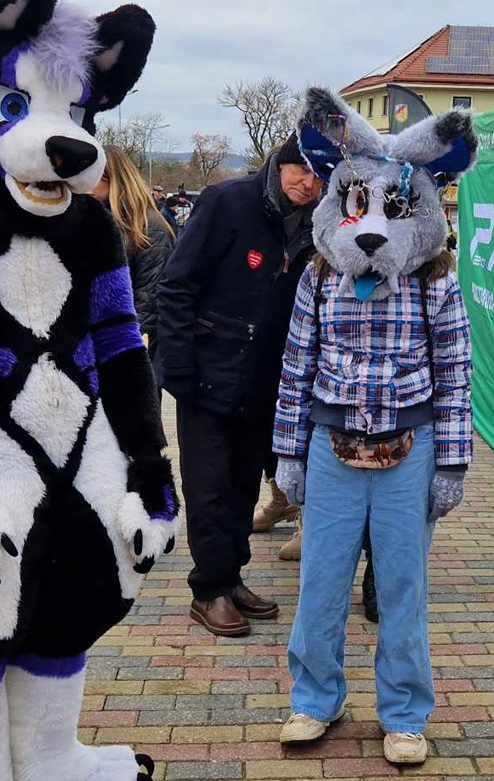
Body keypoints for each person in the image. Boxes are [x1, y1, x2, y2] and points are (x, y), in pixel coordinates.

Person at [272, 89, 476, 767]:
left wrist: (452, 463)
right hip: (331, 446)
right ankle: (315, 698)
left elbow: (455, 372)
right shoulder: (319, 277)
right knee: (321, 582)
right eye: (357, 204)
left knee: (400, 588)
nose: (370, 227)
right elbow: (297, 363)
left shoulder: (434, 283)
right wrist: (288, 452)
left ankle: (405, 712)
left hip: (408, 450)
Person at [156, 135, 322, 637]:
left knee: (243, 484)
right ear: (280, 163)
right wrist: (179, 367)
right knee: (208, 487)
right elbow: (176, 284)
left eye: (319, 176)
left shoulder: (317, 223)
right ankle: (208, 590)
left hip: (266, 379)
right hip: (208, 372)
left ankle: (231, 577)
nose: (308, 184)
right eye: (301, 171)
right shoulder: (226, 201)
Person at [92, 147, 174, 348]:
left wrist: (126, 347)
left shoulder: (148, 226)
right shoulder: (88, 219)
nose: (83, 186)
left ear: (114, 179)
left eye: (92, 178)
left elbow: (149, 298)